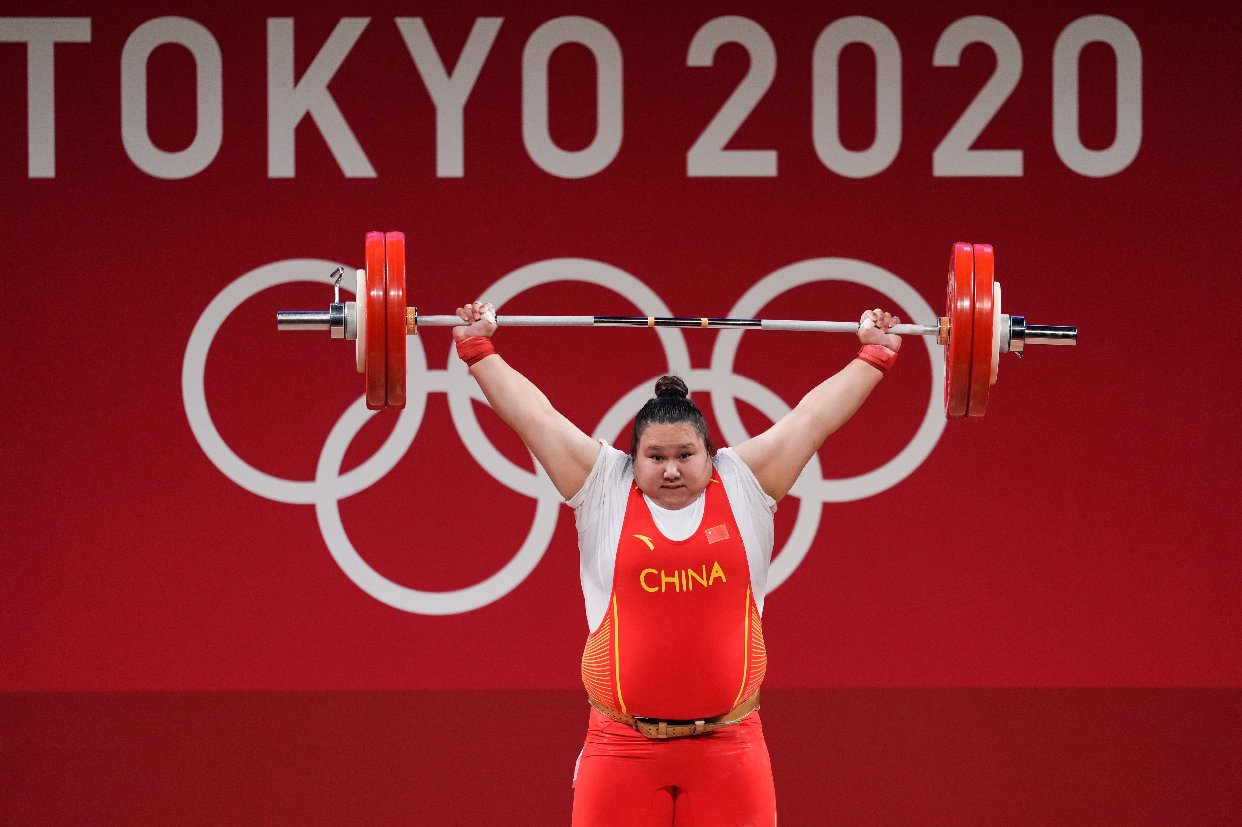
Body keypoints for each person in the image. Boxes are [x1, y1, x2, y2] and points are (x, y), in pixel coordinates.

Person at [452, 301, 902, 826]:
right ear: (633, 457)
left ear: (710, 454)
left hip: (730, 745)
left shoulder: (744, 482)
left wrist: (874, 356)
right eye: (656, 457)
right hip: (621, 746)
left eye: (685, 455)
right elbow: (535, 417)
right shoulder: (603, 486)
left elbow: (812, 418)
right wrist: (478, 349)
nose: (670, 470)